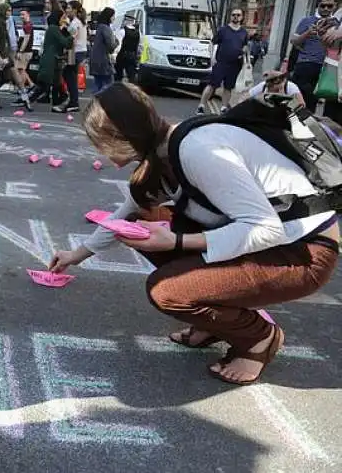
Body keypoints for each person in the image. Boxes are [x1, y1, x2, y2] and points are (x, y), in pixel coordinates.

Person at [49, 83, 339, 386]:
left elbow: (265, 228)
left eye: (103, 146)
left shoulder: (198, 151)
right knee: (140, 219)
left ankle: (260, 339)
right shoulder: (164, 150)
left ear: (124, 138)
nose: (106, 157)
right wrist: (75, 256)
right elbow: (125, 213)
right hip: (272, 242)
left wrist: (175, 241)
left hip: (305, 254)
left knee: (167, 291)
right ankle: (217, 321)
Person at [290, 0, 340, 113]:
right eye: (323, 6)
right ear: (318, 5)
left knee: (330, 103)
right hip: (307, 64)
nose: (326, 9)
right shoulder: (307, 20)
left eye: (330, 6)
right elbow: (294, 41)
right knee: (304, 103)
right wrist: (307, 33)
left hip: (329, 66)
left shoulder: (338, 24)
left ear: (335, 6)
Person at [197, 8, 249, 114]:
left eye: (238, 15)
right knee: (212, 85)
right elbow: (212, 43)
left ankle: (224, 108)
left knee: (228, 87)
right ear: (230, 16)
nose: (236, 17)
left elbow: (245, 47)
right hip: (221, 62)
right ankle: (201, 105)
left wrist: (245, 56)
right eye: (234, 14)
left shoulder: (244, 33)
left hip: (235, 65)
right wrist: (212, 58)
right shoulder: (223, 30)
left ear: (242, 17)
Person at [27, 10, 72, 112]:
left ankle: (58, 104)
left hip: (54, 60)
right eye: (63, 18)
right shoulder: (53, 28)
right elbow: (65, 42)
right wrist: (71, 35)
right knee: (45, 83)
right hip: (50, 60)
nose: (64, 20)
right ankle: (28, 99)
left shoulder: (56, 29)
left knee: (57, 83)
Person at [60, 0, 88, 112]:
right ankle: (73, 101)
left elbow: (71, 36)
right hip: (79, 51)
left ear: (75, 10)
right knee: (70, 75)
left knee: (69, 75)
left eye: (69, 8)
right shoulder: (79, 21)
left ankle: (74, 102)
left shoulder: (76, 22)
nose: (67, 10)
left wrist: (64, 25)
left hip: (76, 52)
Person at [90, 7, 117, 93]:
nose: (114, 18)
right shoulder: (106, 28)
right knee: (108, 87)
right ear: (109, 17)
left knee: (98, 85)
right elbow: (111, 46)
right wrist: (117, 42)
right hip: (104, 61)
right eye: (113, 16)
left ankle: (95, 103)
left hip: (95, 60)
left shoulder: (99, 27)